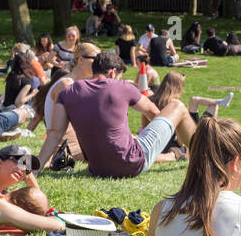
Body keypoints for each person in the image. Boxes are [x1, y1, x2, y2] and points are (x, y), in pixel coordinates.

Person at [37, 51, 198, 179]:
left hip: (97, 169)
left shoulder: (67, 92)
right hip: (132, 163)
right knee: (178, 106)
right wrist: (169, 134)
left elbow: (54, 134)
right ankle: (201, 154)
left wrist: (35, 169)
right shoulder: (121, 86)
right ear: (113, 72)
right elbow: (154, 112)